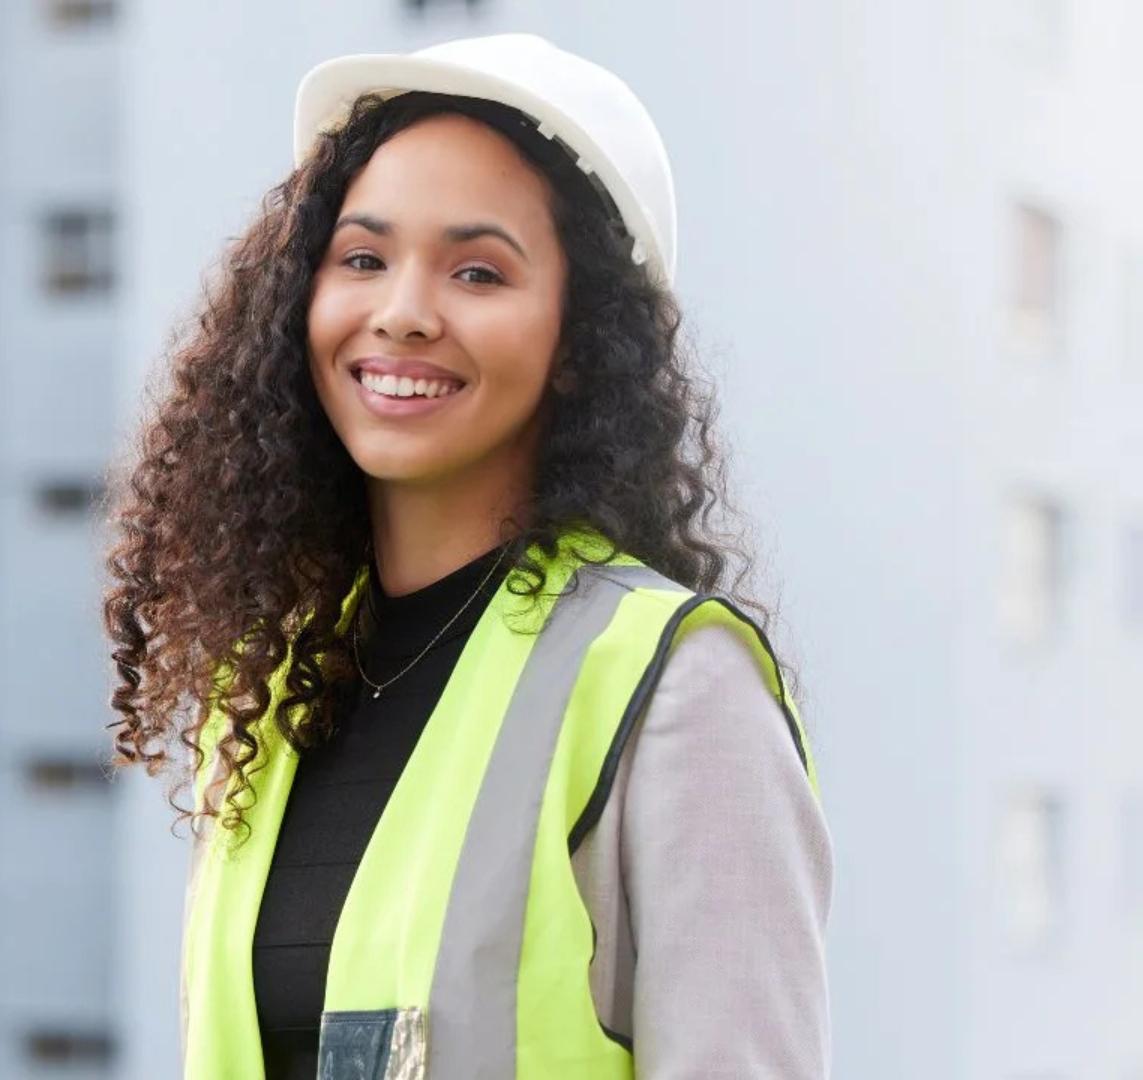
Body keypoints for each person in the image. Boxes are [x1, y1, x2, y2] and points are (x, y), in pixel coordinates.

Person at [102, 33, 832, 1080]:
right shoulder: (266, 691)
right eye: (363, 259)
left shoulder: (674, 682)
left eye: (478, 272)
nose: (402, 313)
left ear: (580, 342)